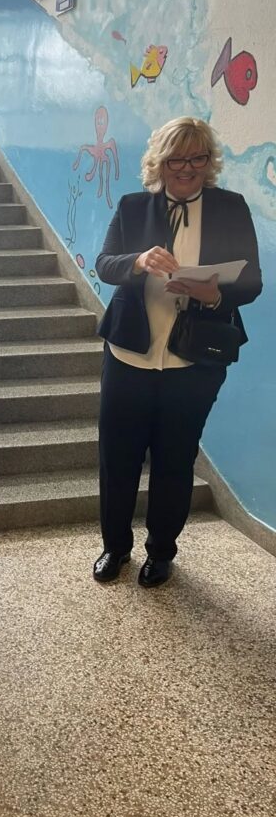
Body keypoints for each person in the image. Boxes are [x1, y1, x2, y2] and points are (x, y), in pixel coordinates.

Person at [93, 116, 262, 587]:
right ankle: (115, 547)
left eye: (197, 158)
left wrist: (214, 295)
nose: (186, 168)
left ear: (209, 161)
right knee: (118, 458)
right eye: (176, 159)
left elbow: (251, 281)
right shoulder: (133, 206)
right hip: (129, 356)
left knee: (175, 460)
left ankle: (161, 552)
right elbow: (105, 264)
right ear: (159, 162)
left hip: (194, 361)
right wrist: (138, 261)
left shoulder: (230, 207)